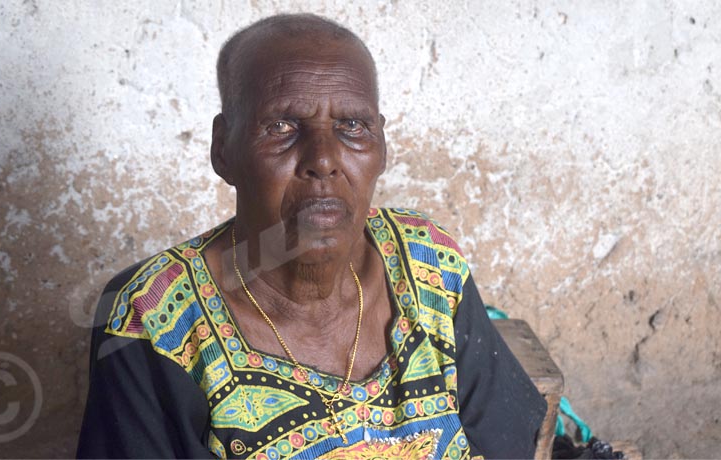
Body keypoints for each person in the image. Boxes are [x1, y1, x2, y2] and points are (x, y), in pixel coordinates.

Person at [77, 13, 546, 459]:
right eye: (281, 126)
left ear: (382, 147)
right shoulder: (154, 317)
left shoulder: (429, 264)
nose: (323, 159)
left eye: (353, 127)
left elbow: (506, 441)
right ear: (224, 149)